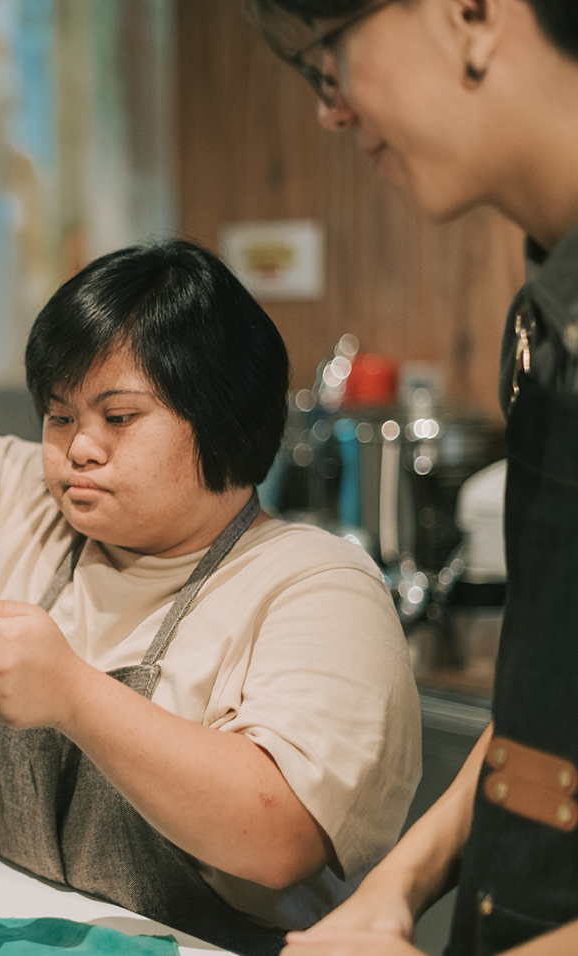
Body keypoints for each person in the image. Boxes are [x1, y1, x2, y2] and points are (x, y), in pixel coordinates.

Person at [0, 237, 420, 956]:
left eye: (120, 417)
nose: (79, 449)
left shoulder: (316, 585)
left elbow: (278, 834)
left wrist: (72, 694)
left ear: (220, 415)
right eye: (60, 417)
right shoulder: (28, 507)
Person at [245, 0, 578, 954]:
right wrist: (391, 893)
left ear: (468, 14)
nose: (330, 111)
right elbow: (543, 717)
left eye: (327, 59)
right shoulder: (543, 317)